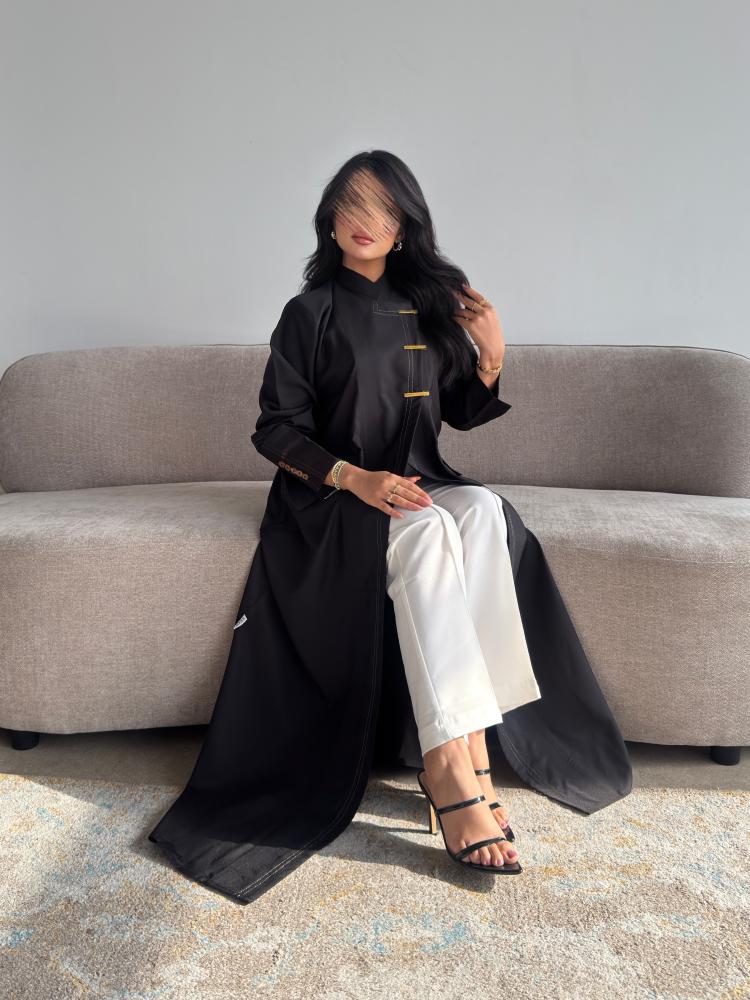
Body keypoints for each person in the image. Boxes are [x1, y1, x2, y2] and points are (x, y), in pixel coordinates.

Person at [148, 150, 632, 904]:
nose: (363, 220)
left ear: (404, 225)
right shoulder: (309, 312)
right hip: (331, 499)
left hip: (416, 482)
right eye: (350, 204)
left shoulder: (427, 304)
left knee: (484, 510)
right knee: (431, 530)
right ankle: (451, 767)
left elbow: (457, 414)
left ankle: (476, 741)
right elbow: (274, 430)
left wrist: (492, 355)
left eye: (380, 208)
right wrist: (355, 478)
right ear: (329, 220)